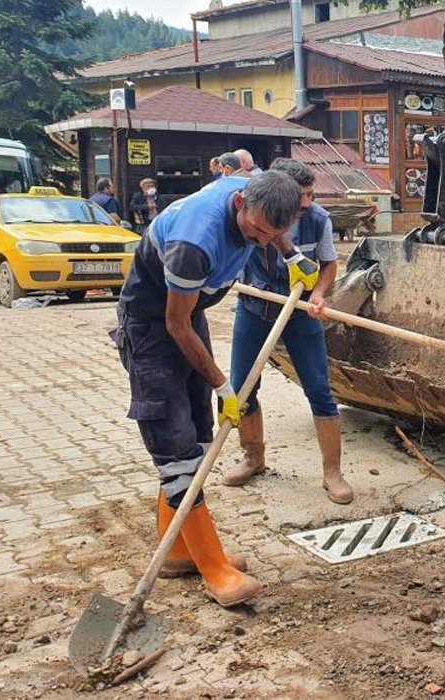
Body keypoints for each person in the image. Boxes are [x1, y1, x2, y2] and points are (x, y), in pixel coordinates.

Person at [113, 171, 319, 608]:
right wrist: (225, 386)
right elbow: (174, 324)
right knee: (177, 449)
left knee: (199, 437)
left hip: (190, 316)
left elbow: (274, 232)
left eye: (273, 233)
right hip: (154, 327)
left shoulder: (261, 196)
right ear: (240, 201)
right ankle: (214, 570)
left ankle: (179, 552)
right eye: (256, 230)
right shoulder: (195, 243)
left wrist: (291, 254)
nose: (261, 240)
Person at [222, 158, 353, 504]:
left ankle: (332, 472)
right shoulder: (254, 213)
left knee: (319, 390)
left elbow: (329, 264)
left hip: (299, 314)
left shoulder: (318, 220)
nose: (309, 203)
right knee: (242, 388)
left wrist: (319, 294)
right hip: (254, 308)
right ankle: (253, 457)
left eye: (312, 194)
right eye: (304, 196)